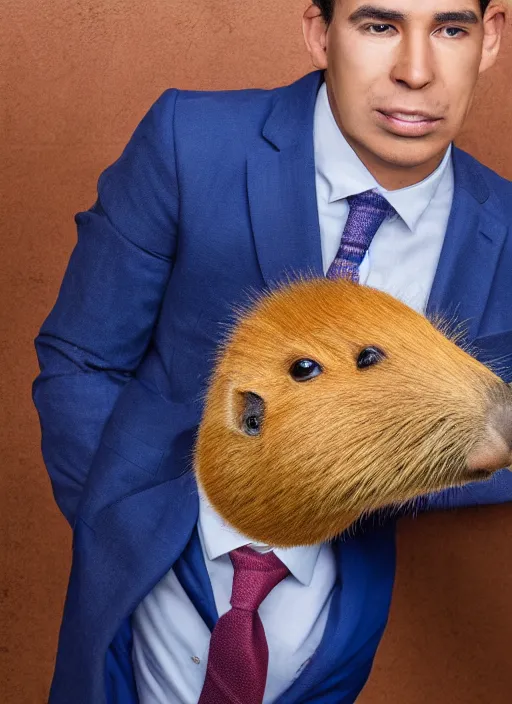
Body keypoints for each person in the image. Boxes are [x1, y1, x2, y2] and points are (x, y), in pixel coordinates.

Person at [32, 1, 512, 703]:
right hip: (148, 615)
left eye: (450, 28)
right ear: (320, 31)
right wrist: (133, 534)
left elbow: (488, 432)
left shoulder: (502, 230)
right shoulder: (188, 143)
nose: (416, 71)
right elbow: (81, 359)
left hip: (327, 642)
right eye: (379, 25)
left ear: (490, 36)